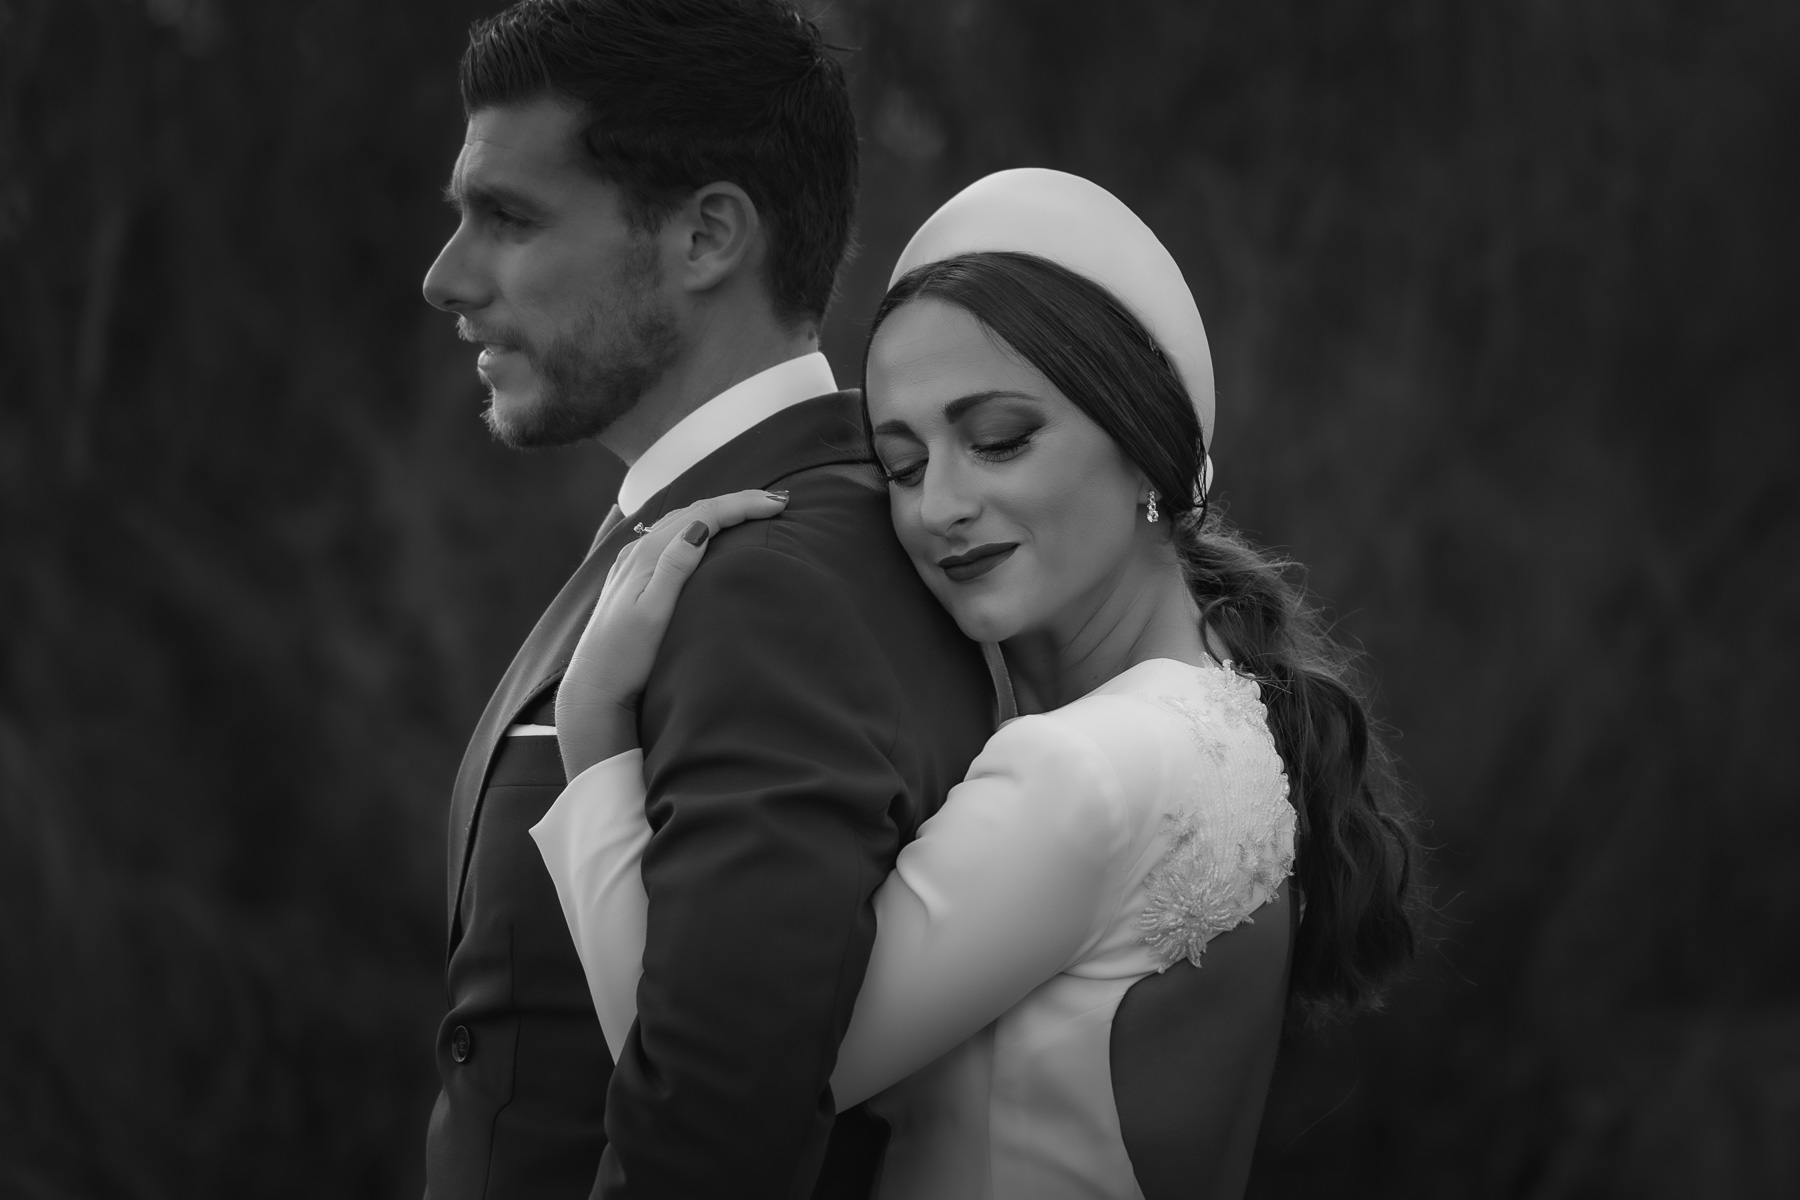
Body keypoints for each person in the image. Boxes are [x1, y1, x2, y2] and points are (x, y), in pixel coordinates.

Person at [536, 169, 1422, 1198]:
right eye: (903, 466)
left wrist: (593, 736)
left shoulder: (1089, 771)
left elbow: (716, 1103)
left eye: (999, 440)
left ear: (1146, 447)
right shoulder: (1215, 716)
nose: (941, 506)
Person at [417, 2, 997, 1196]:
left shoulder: (779, 589)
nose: (447, 279)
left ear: (705, 237)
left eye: (511, 219)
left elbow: (718, 1152)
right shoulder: (711, 547)